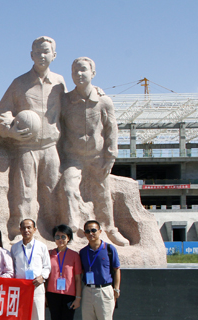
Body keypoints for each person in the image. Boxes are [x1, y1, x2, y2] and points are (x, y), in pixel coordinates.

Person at [0, 37, 66, 240]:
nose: (42, 56)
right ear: (31, 55)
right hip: (26, 147)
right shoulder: (19, 83)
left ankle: (51, 233)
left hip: (50, 146)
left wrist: (95, 92)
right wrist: (10, 130)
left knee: (52, 190)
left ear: (54, 55)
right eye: (38, 52)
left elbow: (72, 104)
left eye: (46, 51)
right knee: (24, 192)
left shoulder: (59, 83)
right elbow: (2, 112)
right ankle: (21, 232)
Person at [59, 57, 129, 246]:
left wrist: (111, 155)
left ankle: (110, 229)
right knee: (69, 187)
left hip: (97, 156)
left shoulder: (103, 101)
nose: (78, 74)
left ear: (93, 73)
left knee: (103, 191)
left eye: (83, 70)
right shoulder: (65, 101)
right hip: (73, 157)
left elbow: (111, 129)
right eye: (75, 71)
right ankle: (72, 229)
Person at [9, 219, 50, 320]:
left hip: (36, 287)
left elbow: (47, 267)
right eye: (23, 228)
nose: (26, 230)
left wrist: (42, 277)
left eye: (29, 228)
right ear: (20, 230)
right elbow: (12, 267)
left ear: (34, 229)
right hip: (21, 290)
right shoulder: (15, 248)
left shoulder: (41, 247)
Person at [80, 220, 121, 320]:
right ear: (84, 234)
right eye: (88, 231)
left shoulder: (109, 249)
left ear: (100, 231)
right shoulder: (83, 252)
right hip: (88, 290)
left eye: (93, 230)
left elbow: (116, 269)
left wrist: (116, 289)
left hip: (104, 290)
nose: (91, 233)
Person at [46, 224, 82, 320]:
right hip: (52, 294)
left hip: (69, 295)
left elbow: (78, 278)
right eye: (57, 237)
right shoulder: (49, 254)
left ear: (68, 238)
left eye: (63, 237)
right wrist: (45, 296)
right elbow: (46, 276)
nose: (60, 239)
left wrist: (78, 298)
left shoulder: (74, 255)